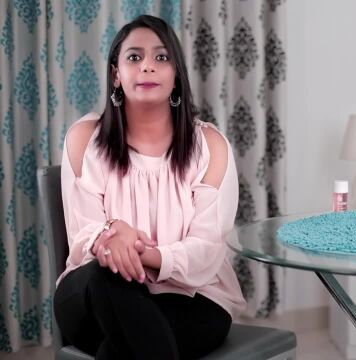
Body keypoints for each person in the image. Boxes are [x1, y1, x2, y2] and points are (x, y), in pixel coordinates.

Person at [53, 15, 246, 359]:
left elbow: (207, 250)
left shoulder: (210, 146)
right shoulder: (85, 140)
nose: (147, 67)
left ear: (175, 74)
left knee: (121, 348)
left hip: (191, 298)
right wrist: (113, 234)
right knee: (105, 277)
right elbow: (84, 237)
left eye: (161, 57)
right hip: (93, 294)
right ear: (116, 73)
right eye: (134, 57)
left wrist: (141, 252)